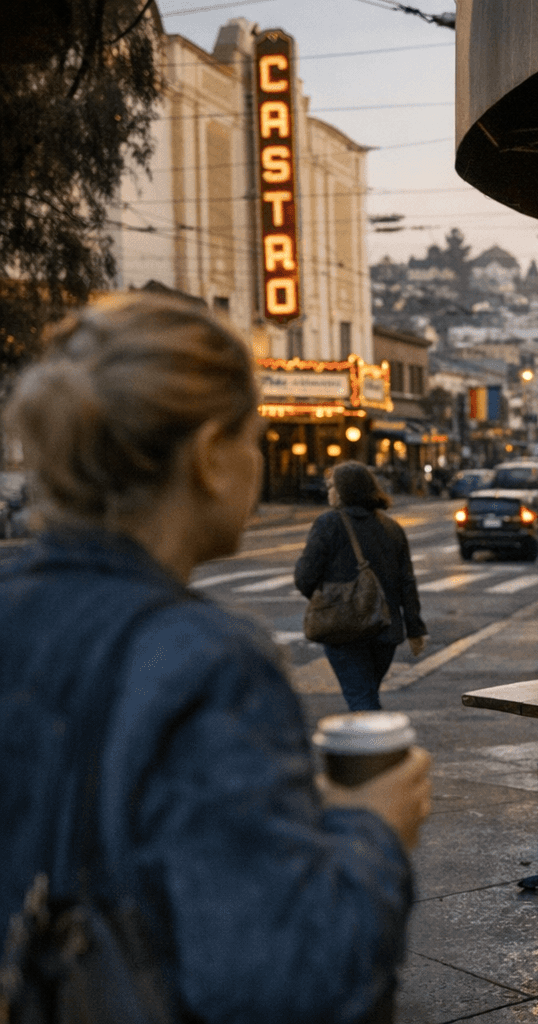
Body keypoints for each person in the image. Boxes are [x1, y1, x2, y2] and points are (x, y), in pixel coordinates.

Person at [0, 293, 431, 1023]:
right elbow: (290, 981)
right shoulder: (209, 664)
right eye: (253, 438)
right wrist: (374, 829)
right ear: (208, 458)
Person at [295, 461, 428, 710]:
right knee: (366, 694)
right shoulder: (391, 527)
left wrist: (327, 597)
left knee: (362, 699)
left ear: (345, 490)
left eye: (332, 486)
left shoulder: (329, 524)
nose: (328, 491)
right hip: (386, 629)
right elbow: (406, 582)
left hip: (344, 629)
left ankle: (379, 746)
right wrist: (415, 629)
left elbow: (304, 577)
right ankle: (375, 742)